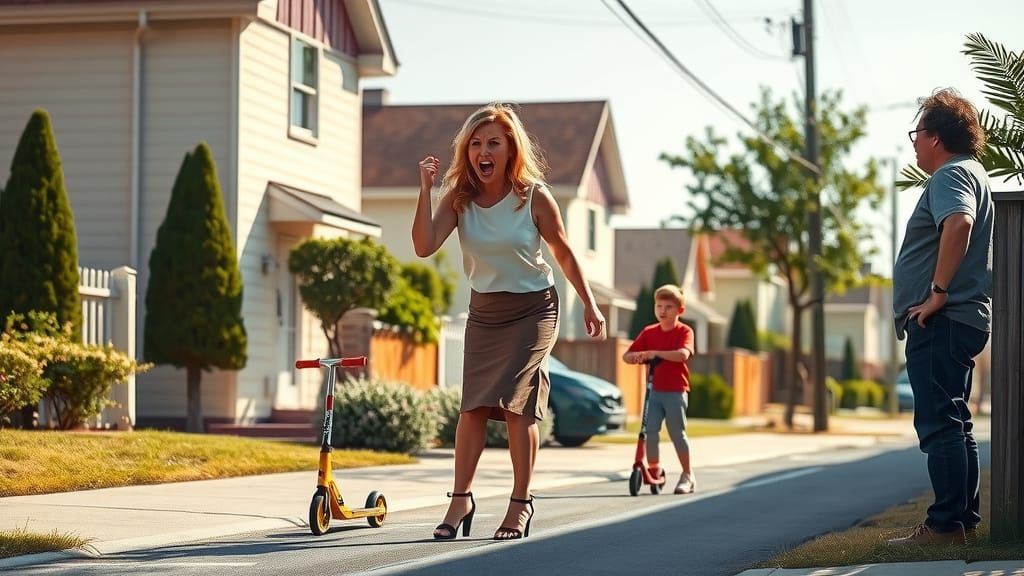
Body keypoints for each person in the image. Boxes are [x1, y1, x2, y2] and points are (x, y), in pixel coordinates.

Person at [412, 103, 606, 541]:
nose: (484, 151)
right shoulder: (459, 199)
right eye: (476, 143)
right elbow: (424, 246)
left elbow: (564, 251)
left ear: (511, 149)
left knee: (518, 405)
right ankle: (460, 498)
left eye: (493, 143)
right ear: (468, 151)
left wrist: (590, 304)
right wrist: (426, 190)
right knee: (473, 408)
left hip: (535, 309)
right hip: (485, 313)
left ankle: (520, 502)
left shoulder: (533, 196)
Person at [888, 88, 993, 546]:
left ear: (935, 137)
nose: (913, 143)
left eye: (917, 133)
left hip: (943, 320)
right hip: (960, 320)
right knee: (954, 422)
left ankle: (946, 526)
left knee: (938, 425)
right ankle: (960, 523)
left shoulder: (950, 175)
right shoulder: (972, 172)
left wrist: (936, 294)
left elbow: (959, 224)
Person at [622, 284, 696, 494]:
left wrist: (654, 353)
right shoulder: (649, 332)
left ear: (679, 310)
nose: (662, 311)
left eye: (668, 307)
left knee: (676, 433)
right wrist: (637, 357)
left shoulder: (684, 331)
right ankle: (654, 470)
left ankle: (687, 475)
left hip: (676, 390)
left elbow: (683, 354)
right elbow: (626, 356)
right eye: (659, 306)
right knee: (649, 432)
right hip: (654, 391)